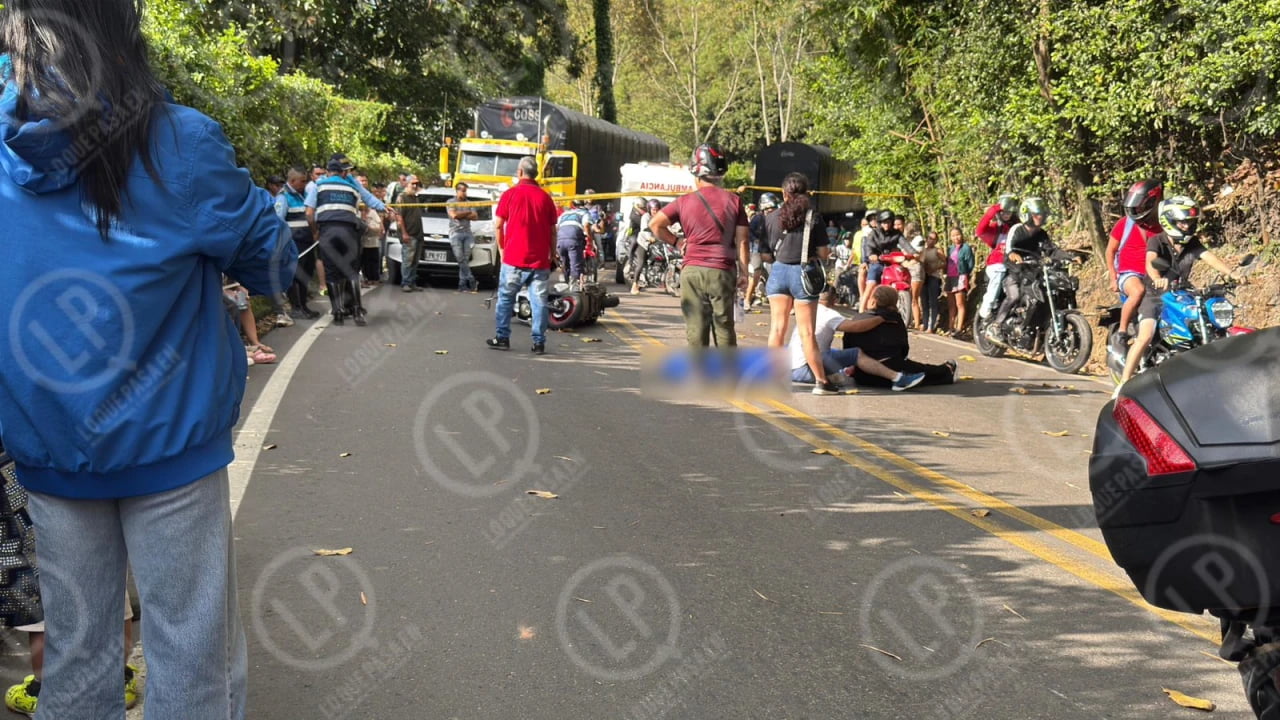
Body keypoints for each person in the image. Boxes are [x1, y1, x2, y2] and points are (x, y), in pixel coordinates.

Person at [0, 3, 298, 717]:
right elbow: (273, 264)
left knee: (77, 660)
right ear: (122, 35)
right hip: (170, 446)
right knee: (189, 654)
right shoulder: (180, 142)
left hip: (46, 447)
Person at [1118, 196, 1241, 385]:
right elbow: (1151, 262)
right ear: (1169, 221)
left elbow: (1210, 258)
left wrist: (1233, 274)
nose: (1187, 225)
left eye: (1190, 222)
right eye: (1182, 222)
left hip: (1181, 292)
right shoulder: (1157, 240)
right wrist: (1157, 279)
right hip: (1155, 295)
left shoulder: (1192, 243)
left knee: (1205, 320)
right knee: (1145, 336)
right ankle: (1124, 383)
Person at [651, 143, 750, 348]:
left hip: (692, 271)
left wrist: (677, 241)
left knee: (696, 328)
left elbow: (655, 224)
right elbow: (743, 240)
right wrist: (744, 273)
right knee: (724, 326)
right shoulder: (735, 201)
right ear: (721, 174)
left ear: (696, 174)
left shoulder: (683, 202)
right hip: (722, 271)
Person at [763, 172, 837, 394]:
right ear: (806, 193)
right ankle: (821, 382)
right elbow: (823, 253)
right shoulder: (814, 217)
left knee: (777, 328)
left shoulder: (770, 217)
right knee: (806, 332)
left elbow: (766, 254)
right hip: (803, 275)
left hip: (778, 272)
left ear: (784, 193)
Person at [306, 153, 396, 325]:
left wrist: (315, 231)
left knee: (331, 272)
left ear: (328, 171)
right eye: (346, 170)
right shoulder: (352, 186)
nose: (348, 173)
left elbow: (309, 213)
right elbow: (367, 197)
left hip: (327, 232)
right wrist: (384, 207)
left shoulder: (318, 185)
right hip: (349, 231)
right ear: (342, 172)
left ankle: (338, 313)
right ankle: (357, 311)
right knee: (351, 271)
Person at [787, 289, 927, 390]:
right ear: (834, 300)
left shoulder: (809, 311)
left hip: (790, 366)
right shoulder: (829, 314)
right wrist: (881, 319)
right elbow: (855, 327)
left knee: (834, 352)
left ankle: (839, 374)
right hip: (806, 368)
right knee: (856, 354)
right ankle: (897, 378)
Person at [488, 157, 559, 354]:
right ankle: (539, 342)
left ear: (520, 172)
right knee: (539, 302)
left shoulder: (509, 194)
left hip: (513, 258)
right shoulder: (545, 198)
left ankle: (502, 338)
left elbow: (498, 225)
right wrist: (552, 254)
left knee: (506, 299)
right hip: (539, 261)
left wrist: (502, 250)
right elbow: (553, 231)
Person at [841, 286, 955, 388]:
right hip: (892, 367)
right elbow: (903, 347)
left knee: (915, 370)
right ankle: (947, 370)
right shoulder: (895, 319)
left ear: (873, 300)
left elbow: (848, 347)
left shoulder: (857, 319)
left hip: (862, 376)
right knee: (923, 371)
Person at [1106, 179, 1163, 362]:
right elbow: (1110, 250)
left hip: (1152, 274)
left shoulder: (1162, 226)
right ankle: (1122, 334)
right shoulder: (1124, 224)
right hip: (1129, 273)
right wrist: (1113, 277)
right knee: (1138, 291)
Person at [986, 197, 1055, 343]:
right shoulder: (1017, 229)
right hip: (1015, 271)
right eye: (1037, 214)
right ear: (1027, 214)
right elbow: (1009, 249)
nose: (1040, 217)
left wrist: (1070, 256)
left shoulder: (1042, 234)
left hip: (1032, 273)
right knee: (1014, 295)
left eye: (1042, 214)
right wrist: (1013, 255)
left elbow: (1051, 250)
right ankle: (995, 326)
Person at [276, 168, 322, 319]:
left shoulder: (304, 195)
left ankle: (303, 305)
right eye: (302, 181)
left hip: (307, 242)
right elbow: (278, 220)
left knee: (306, 274)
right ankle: (296, 307)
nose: (304, 184)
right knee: (295, 275)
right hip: (294, 243)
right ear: (292, 181)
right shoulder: (284, 197)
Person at [975, 193, 1019, 320]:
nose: (1006, 214)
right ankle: (986, 308)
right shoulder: (997, 228)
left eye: (1009, 212)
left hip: (1013, 264)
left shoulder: (1016, 228)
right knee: (998, 274)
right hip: (997, 263)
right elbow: (980, 230)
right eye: (1003, 212)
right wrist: (994, 209)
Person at [744, 192, 779, 308]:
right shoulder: (758, 218)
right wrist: (755, 240)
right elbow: (749, 232)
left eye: (772, 208)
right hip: (757, 250)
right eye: (767, 208)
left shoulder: (778, 219)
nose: (770, 210)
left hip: (772, 250)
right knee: (755, 273)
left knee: (777, 274)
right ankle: (747, 300)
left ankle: (777, 302)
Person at [447, 182, 480, 292]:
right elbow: (454, 215)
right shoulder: (451, 202)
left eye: (466, 191)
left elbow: (475, 216)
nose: (465, 193)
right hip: (455, 233)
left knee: (465, 259)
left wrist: (462, 214)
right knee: (460, 258)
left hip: (467, 233)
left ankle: (462, 284)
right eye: (463, 191)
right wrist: (467, 213)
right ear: (457, 191)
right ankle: (471, 279)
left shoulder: (469, 203)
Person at [556, 197, 593, 291]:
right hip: (573, 240)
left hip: (560, 240)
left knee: (565, 264)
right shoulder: (584, 213)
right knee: (575, 264)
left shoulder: (564, 214)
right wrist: (590, 240)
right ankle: (574, 287)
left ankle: (567, 283)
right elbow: (586, 226)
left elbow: (556, 228)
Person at [945, 226, 975, 336]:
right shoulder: (950, 248)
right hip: (950, 277)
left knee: (960, 304)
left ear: (961, 235)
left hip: (961, 277)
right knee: (951, 305)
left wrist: (965, 274)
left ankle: (959, 328)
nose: (956, 237)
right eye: (953, 236)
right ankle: (951, 327)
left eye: (958, 235)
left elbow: (970, 264)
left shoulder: (966, 248)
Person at [630, 199, 664, 295]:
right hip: (644, 243)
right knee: (641, 263)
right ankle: (634, 285)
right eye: (653, 210)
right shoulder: (646, 217)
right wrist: (650, 238)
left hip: (656, 242)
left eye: (657, 209)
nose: (655, 211)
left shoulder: (660, 217)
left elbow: (667, 226)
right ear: (649, 209)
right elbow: (644, 229)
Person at [398, 175, 425, 292]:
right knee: (407, 260)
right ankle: (405, 283)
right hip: (409, 234)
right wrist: (404, 233)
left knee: (415, 261)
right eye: (412, 183)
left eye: (416, 184)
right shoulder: (402, 197)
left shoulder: (415, 197)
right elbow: (399, 217)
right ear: (407, 184)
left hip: (418, 234)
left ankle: (412, 282)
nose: (415, 186)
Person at [921, 230, 946, 332]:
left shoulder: (937, 251)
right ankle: (925, 323)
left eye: (934, 239)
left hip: (933, 276)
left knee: (933, 302)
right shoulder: (922, 250)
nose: (931, 241)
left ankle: (931, 326)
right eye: (929, 238)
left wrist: (935, 268)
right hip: (923, 277)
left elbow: (944, 262)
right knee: (924, 301)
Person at [902, 221, 925, 328]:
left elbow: (916, 255)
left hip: (915, 268)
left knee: (914, 298)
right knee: (912, 297)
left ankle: (917, 323)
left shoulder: (919, 239)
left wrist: (906, 258)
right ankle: (912, 320)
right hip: (911, 268)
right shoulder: (909, 240)